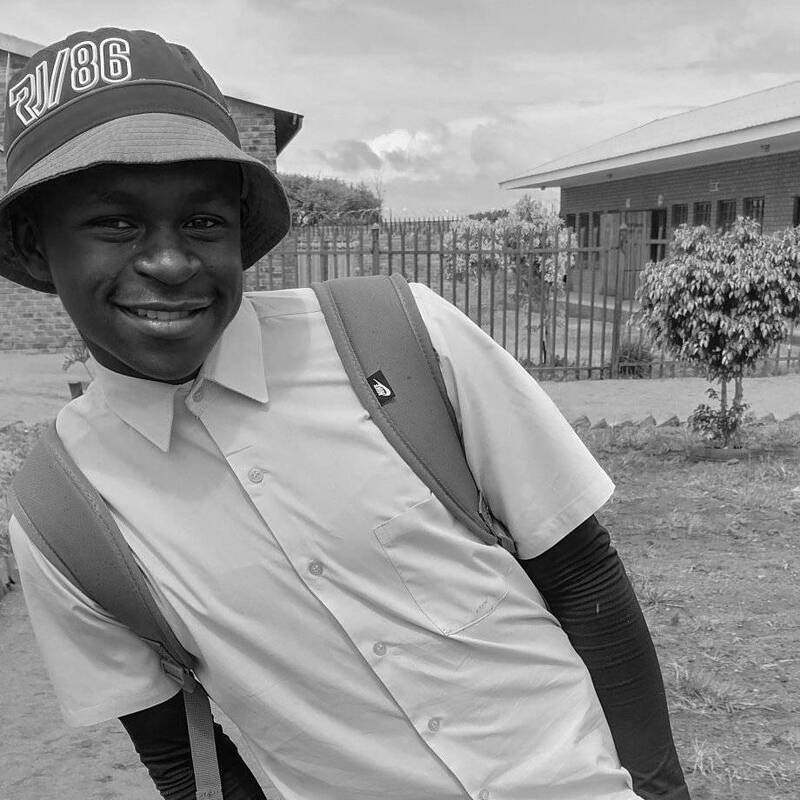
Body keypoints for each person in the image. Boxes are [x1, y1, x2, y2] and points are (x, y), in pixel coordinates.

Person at [4, 27, 690, 800]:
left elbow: (580, 573)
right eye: (116, 224)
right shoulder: (63, 513)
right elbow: (179, 756)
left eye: (202, 222)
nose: (169, 262)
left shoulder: (400, 339)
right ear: (32, 245)